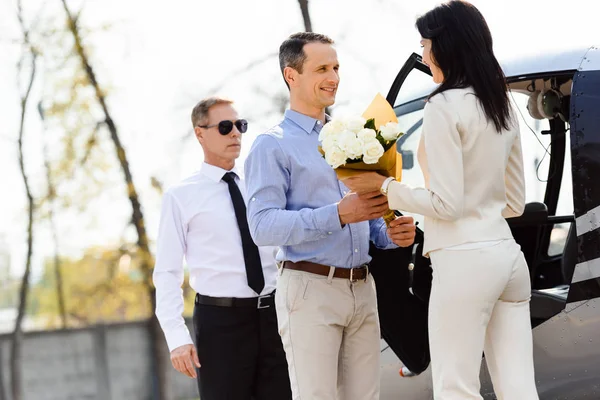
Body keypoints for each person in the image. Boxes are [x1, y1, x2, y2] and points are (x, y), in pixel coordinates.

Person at [341, 1, 539, 399]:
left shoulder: (443, 104)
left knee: (455, 388)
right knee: (519, 389)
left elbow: (446, 205)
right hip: (508, 258)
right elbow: (514, 202)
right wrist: (477, 206)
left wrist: (382, 186)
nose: (423, 54)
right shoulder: (498, 102)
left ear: (443, 46)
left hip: (465, 263)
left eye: (424, 44)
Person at [244, 32, 417, 400]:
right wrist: (336, 215)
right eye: (322, 68)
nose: (334, 77)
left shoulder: (349, 137)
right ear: (292, 76)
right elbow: (262, 226)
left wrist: (392, 232)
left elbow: (365, 218)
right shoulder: (271, 145)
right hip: (310, 290)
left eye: (336, 67)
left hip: (362, 288)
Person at [152, 96, 292, 400]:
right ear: (200, 133)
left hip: (275, 318)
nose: (235, 134)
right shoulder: (180, 197)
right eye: (225, 126)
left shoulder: (261, 185)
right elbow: (167, 272)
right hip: (221, 325)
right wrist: (176, 337)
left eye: (240, 125)